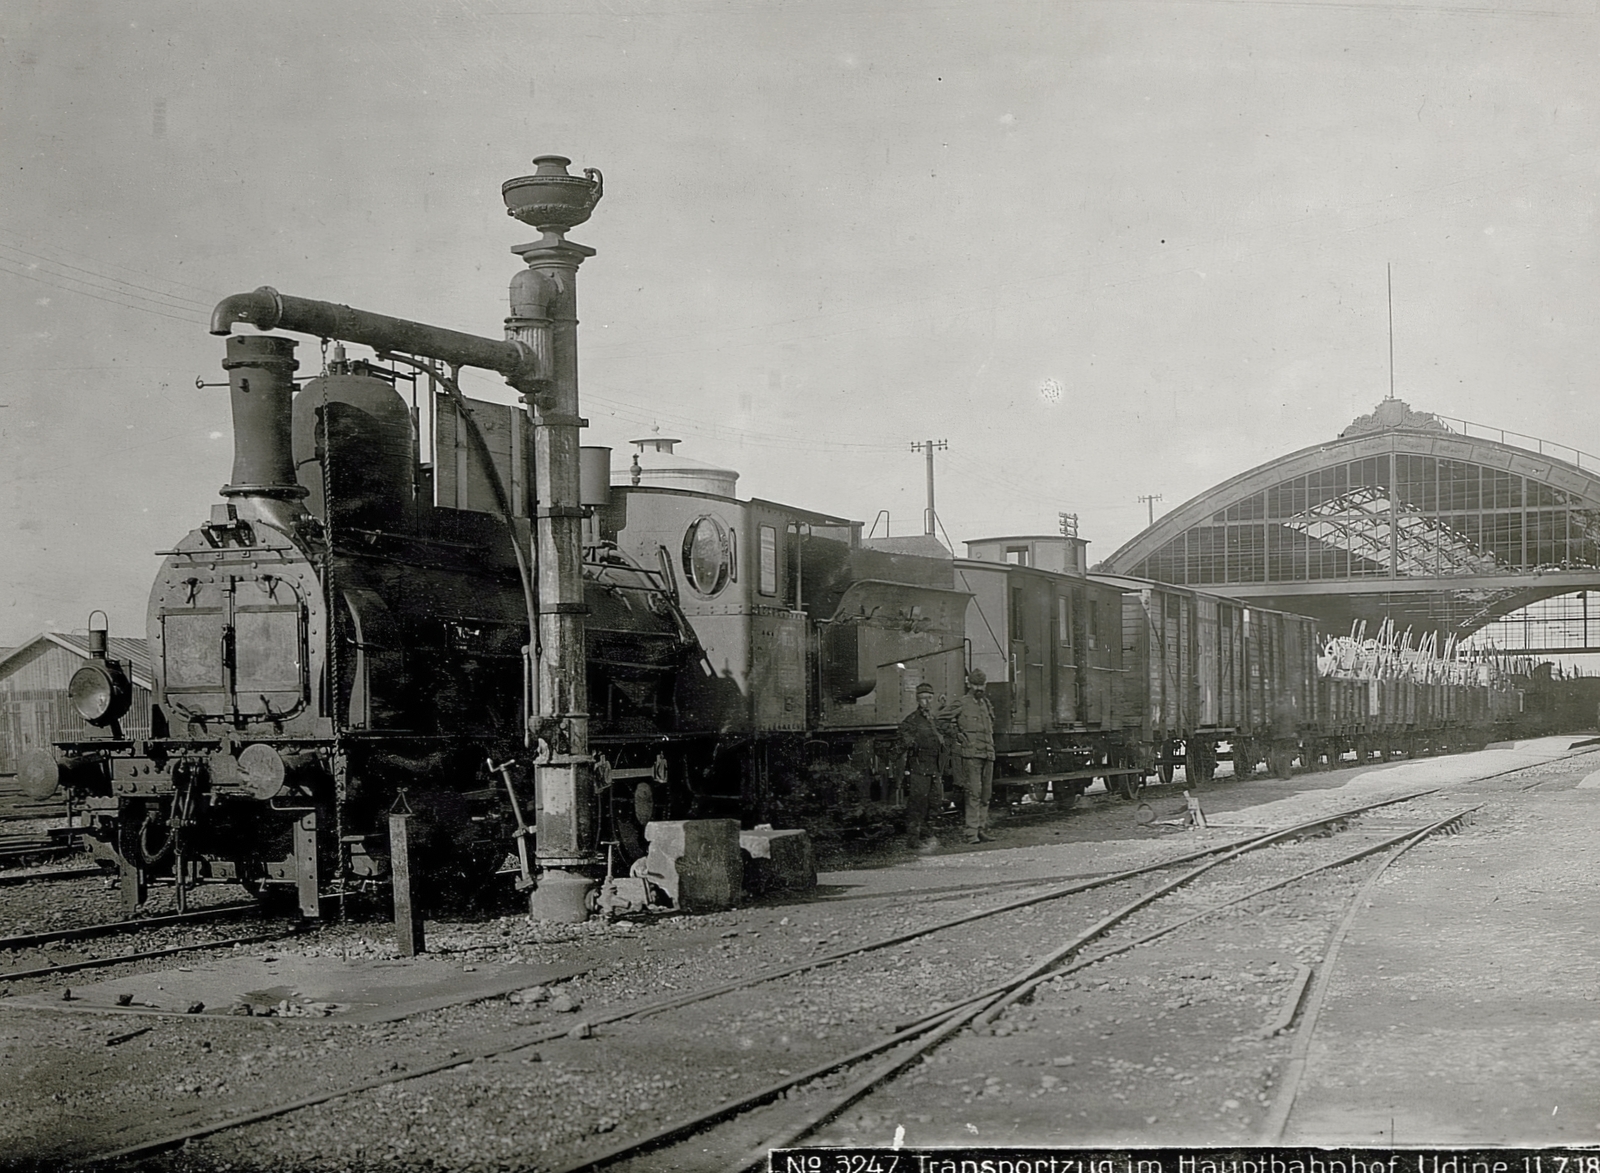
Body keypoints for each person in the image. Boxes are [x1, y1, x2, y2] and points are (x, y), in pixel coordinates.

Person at [942, 668, 996, 843]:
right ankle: (971, 833)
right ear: (969, 684)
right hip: (971, 756)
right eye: (975, 685)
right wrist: (956, 734)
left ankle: (981, 829)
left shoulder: (986, 704)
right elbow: (940, 720)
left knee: (986, 795)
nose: (979, 688)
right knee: (973, 794)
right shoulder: (961, 703)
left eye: (982, 685)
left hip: (988, 755)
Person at [897, 682, 944, 850]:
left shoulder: (934, 719)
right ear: (918, 699)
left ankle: (927, 835)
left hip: (933, 769)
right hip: (919, 769)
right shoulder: (911, 721)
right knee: (918, 804)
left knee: (935, 803)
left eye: (930, 698)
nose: (927, 702)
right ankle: (913, 838)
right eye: (923, 698)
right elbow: (903, 742)